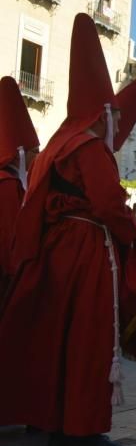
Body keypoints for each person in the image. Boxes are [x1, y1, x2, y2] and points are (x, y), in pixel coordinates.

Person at [0, 14, 136, 446]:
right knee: (88, 339)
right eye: (116, 115)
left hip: (55, 254)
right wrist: (135, 232)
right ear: (104, 113)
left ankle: (55, 424)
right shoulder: (90, 149)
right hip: (85, 253)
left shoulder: (54, 148)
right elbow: (106, 205)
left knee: (57, 338)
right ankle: (82, 432)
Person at [0, 76, 40, 290]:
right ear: (20, 155)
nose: (39, 157)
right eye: (35, 152)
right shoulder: (7, 186)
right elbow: (9, 242)